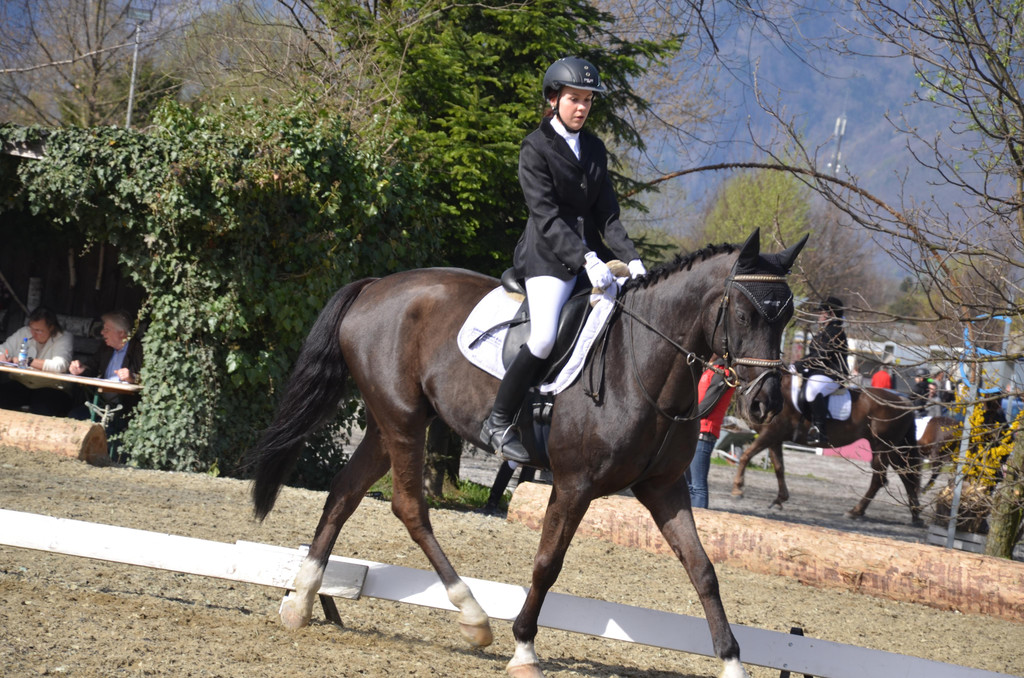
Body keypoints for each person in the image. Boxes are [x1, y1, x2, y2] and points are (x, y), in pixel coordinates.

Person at [480, 57, 646, 464]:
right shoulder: (535, 147)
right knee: (542, 337)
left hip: (592, 260)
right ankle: (498, 422)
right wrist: (585, 257)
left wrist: (632, 259)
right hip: (547, 259)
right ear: (553, 99)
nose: (582, 107)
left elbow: (607, 216)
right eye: (575, 99)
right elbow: (547, 217)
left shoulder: (595, 148)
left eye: (588, 100)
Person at [67, 310, 143, 462]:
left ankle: (109, 461)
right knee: (74, 416)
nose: (102, 332)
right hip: (100, 403)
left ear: (121, 333)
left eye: (106, 329)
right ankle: (72, 456)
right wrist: (80, 369)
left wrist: (132, 377)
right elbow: (91, 368)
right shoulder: (106, 348)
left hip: (124, 407)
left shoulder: (138, 349)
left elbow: (146, 378)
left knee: (110, 429)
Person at [0, 306, 74, 415]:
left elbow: (60, 365)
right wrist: (2, 356)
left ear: (51, 327)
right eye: (32, 329)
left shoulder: (64, 337)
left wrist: (27, 361)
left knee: (42, 411)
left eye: (39, 330)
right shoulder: (23, 332)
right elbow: (3, 348)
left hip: (51, 388)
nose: (33, 334)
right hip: (22, 383)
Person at [684, 360, 735, 509]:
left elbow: (708, 404)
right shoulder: (712, 369)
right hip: (695, 430)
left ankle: (700, 517)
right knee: (688, 485)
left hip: (704, 432)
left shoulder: (722, 372)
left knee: (697, 486)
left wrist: (686, 419)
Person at [800, 296, 849, 446]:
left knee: (812, 390)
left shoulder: (835, 331)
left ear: (831, 313)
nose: (819, 315)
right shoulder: (824, 331)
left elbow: (822, 355)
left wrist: (800, 365)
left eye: (822, 312)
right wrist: (797, 364)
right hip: (821, 372)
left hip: (834, 374)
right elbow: (813, 354)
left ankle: (820, 431)